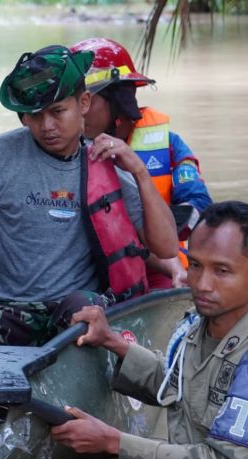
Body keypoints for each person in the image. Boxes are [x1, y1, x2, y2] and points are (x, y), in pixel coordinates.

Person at [51, 201, 248, 459]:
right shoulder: (198, 326)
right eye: (195, 265)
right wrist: (113, 341)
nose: (201, 283)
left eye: (222, 271)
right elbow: (179, 386)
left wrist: (114, 442)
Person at [0, 45, 178, 347]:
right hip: (3, 309)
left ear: (84, 103)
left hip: (73, 309)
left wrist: (140, 173)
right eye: (35, 116)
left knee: (86, 310)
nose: (47, 126)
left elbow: (168, 246)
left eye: (57, 112)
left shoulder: (104, 165)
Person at [70, 38, 214, 289]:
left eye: (86, 100)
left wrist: (156, 233)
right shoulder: (66, 148)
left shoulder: (169, 144)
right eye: (72, 102)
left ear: (117, 101)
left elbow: (200, 208)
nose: (77, 111)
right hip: (91, 275)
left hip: (167, 271)